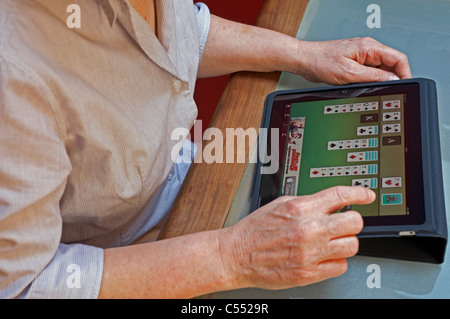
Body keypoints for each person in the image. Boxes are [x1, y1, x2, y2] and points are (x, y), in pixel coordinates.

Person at [0, 0, 411, 299]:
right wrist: (233, 256)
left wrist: (303, 53)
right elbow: (24, 286)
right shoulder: (13, 68)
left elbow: (184, 33)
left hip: (196, 179)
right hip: (129, 263)